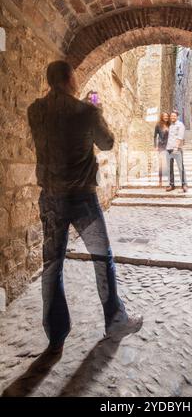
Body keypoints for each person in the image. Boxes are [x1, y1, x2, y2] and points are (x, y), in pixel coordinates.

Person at [27, 60, 143, 354]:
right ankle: (115, 321)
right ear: (69, 79)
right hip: (82, 200)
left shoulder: (35, 110)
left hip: (51, 199)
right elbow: (107, 143)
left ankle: (56, 334)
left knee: (52, 264)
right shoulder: (87, 112)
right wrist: (98, 111)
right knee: (102, 258)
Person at [165, 110, 188, 193]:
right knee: (169, 168)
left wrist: (176, 147)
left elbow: (180, 137)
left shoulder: (180, 125)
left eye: (174, 116)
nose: (172, 117)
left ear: (177, 116)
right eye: (171, 116)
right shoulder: (170, 125)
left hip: (177, 150)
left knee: (181, 167)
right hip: (168, 149)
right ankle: (171, 185)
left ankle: (184, 184)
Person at [153, 112, 170, 187]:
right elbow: (155, 136)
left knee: (169, 163)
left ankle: (170, 180)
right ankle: (160, 180)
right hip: (161, 146)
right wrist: (155, 146)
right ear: (162, 117)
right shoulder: (158, 125)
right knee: (161, 164)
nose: (166, 117)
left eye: (167, 116)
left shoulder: (170, 125)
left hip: (169, 146)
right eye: (164, 116)